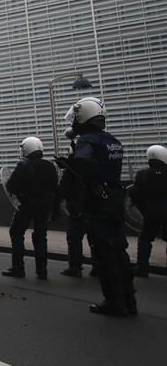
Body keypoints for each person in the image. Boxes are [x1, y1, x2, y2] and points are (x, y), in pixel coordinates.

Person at [57, 97, 135, 316]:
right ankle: (130, 298)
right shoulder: (113, 141)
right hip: (116, 199)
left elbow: (85, 165)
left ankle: (114, 301)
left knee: (104, 254)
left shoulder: (87, 141)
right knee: (119, 251)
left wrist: (69, 163)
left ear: (83, 116)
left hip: (98, 201)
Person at [1, 137, 59, 280]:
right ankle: (42, 271)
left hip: (27, 205)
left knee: (16, 233)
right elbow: (55, 188)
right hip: (44, 206)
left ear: (26, 149)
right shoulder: (50, 166)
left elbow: (11, 185)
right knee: (40, 236)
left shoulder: (23, 165)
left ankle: (18, 268)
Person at [58, 128, 97, 278]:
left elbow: (63, 188)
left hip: (77, 207)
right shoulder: (94, 166)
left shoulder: (72, 171)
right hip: (94, 206)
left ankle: (75, 266)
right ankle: (98, 266)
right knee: (94, 237)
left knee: (74, 237)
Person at [129, 145, 167, 278]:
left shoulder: (142, 175)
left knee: (145, 238)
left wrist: (145, 209)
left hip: (151, 211)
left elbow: (134, 193)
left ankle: (142, 267)